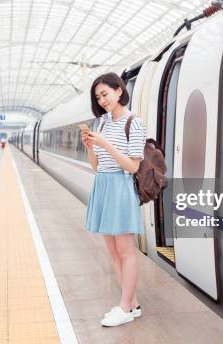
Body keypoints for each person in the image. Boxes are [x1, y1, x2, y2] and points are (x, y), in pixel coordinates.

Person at [81, 72, 146, 327]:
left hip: (120, 188)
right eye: (98, 97)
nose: (102, 101)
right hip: (104, 186)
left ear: (119, 90)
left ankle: (124, 307)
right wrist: (90, 147)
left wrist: (105, 144)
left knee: (126, 251)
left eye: (105, 94)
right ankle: (132, 303)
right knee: (113, 251)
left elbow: (132, 166)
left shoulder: (134, 123)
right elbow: (97, 167)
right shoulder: (103, 123)